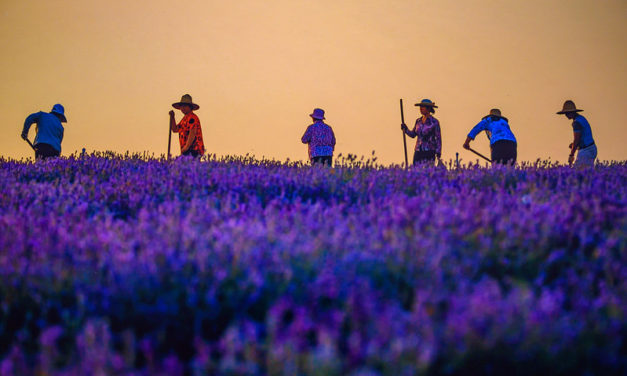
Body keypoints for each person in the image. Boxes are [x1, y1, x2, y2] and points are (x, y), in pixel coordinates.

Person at [401, 99, 442, 165]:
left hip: (429, 151)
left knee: (428, 170)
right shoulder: (418, 121)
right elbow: (413, 134)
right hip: (418, 150)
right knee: (415, 170)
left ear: (428, 109)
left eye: (423, 107)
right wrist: (405, 129)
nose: (420, 109)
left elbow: (438, 138)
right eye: (420, 107)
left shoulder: (434, 122)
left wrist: (438, 151)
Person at [557, 100, 596, 167]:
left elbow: (576, 140)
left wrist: (571, 155)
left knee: (577, 173)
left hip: (585, 151)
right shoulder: (581, 118)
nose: (566, 115)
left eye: (567, 113)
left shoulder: (576, 123)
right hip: (592, 148)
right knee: (588, 172)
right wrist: (573, 145)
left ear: (572, 112)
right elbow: (582, 137)